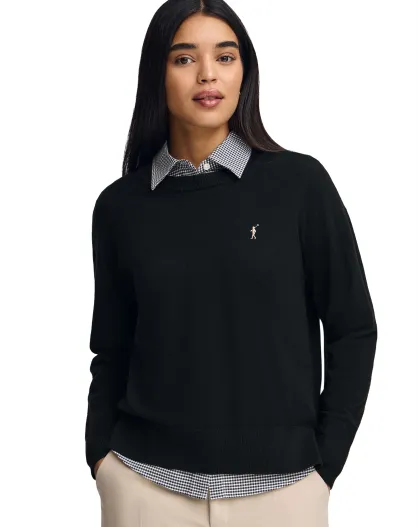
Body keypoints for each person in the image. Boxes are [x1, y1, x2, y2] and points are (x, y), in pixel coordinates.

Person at [84, 1, 378, 525]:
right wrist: (101, 458)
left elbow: (352, 327)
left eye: (225, 56)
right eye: (184, 58)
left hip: (282, 491)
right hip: (144, 487)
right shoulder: (120, 207)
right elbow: (112, 346)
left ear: (245, 71)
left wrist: (325, 464)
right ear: (156, 73)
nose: (207, 74)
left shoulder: (300, 186)